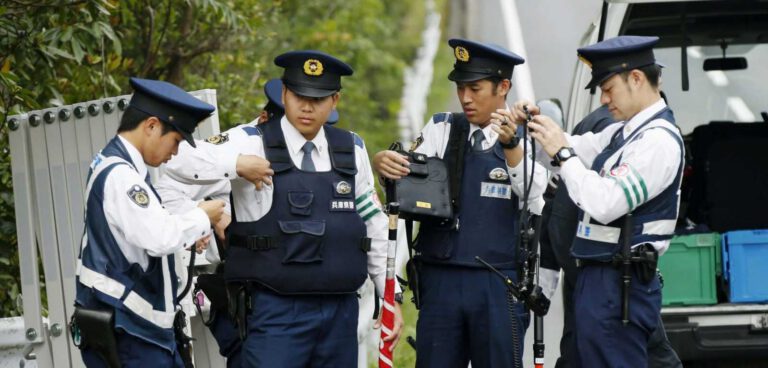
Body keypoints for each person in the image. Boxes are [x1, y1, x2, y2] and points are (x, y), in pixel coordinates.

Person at [159, 50, 403, 366]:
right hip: (276, 312)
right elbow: (177, 159)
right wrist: (236, 164)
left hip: (340, 312)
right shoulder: (251, 141)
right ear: (285, 94)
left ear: (334, 101)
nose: (307, 106)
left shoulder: (350, 148)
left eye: (318, 98)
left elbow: (373, 226)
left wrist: (390, 295)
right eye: (299, 95)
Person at [502, 35, 685, 367]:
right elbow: (572, 147)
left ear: (637, 79)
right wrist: (533, 123)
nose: (604, 99)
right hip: (599, 280)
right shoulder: (625, 133)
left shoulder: (658, 142)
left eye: (608, 87)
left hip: (620, 285)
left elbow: (604, 202)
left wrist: (562, 151)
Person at [374, 38, 547, 368]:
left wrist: (511, 145)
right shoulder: (442, 128)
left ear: (503, 86)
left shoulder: (527, 136)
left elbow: (533, 194)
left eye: (476, 89)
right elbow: (409, 184)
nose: (465, 98)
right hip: (441, 281)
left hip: (497, 284)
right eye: (461, 88)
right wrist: (387, 168)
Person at [155, 77, 343, 367]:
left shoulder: (323, 149)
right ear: (267, 118)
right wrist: (203, 213)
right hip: (244, 289)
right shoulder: (243, 144)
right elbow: (173, 171)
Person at [74, 77, 225, 367]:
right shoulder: (122, 176)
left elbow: (140, 233)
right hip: (131, 331)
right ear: (152, 125)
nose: (175, 152)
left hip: (134, 328)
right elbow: (159, 238)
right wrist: (202, 216)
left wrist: (188, 228)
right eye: (176, 141)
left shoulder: (117, 166)